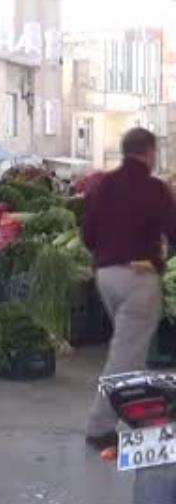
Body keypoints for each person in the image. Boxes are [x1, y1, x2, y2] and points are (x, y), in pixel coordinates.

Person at [81, 127, 176, 449]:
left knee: (128, 349)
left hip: (106, 276)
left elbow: (88, 235)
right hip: (139, 278)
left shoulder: (102, 185)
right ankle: (99, 428)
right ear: (149, 152)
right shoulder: (155, 189)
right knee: (125, 355)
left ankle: (143, 411)